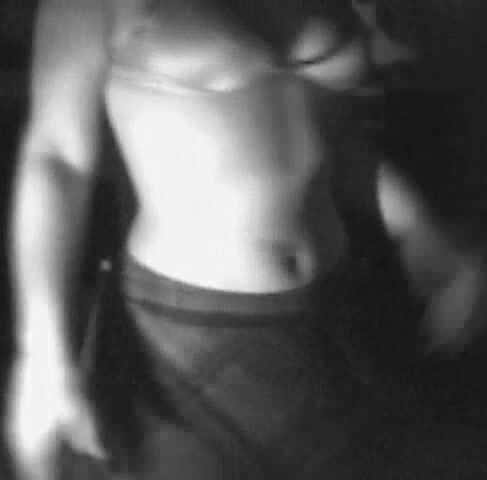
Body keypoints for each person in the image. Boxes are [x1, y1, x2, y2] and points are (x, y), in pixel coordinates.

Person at [5, 0, 446, 479]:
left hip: (335, 308)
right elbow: (57, 159)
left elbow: (335, 147)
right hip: (185, 330)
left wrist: (421, 226)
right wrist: (42, 354)